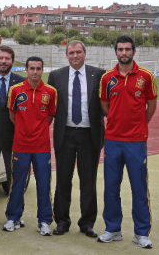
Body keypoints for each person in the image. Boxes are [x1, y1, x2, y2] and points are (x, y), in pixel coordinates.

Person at [97, 36, 157, 249]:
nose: (124, 53)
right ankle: (113, 229)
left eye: (128, 49)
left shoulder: (146, 76)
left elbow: (151, 105)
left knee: (139, 187)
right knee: (111, 187)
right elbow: (105, 105)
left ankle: (141, 233)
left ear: (133, 51)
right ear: (116, 52)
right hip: (113, 140)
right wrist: (115, 121)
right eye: (120, 49)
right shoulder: (106, 78)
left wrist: (139, 124)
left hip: (136, 141)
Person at [47, 40, 105, 238]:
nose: (75, 56)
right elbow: (49, 107)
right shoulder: (56, 76)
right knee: (63, 180)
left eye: (78, 52)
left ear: (85, 53)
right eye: (71, 52)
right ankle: (62, 222)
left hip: (89, 135)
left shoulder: (98, 74)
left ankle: (87, 223)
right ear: (66, 55)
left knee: (88, 181)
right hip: (65, 134)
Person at [4, 56, 57, 236]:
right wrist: (23, 129)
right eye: (32, 68)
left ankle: (44, 221)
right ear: (26, 70)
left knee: (44, 185)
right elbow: (12, 115)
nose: (35, 72)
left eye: (38, 68)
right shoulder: (15, 90)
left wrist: (37, 131)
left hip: (41, 147)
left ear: (43, 70)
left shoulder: (50, 91)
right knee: (17, 183)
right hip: (20, 146)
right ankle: (13, 217)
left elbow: (49, 117)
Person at [0, 45, 25, 221]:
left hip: (14, 138)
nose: (3, 61)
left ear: (12, 61)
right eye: (0, 58)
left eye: (7, 58)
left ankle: (15, 214)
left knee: (15, 179)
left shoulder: (22, 83)